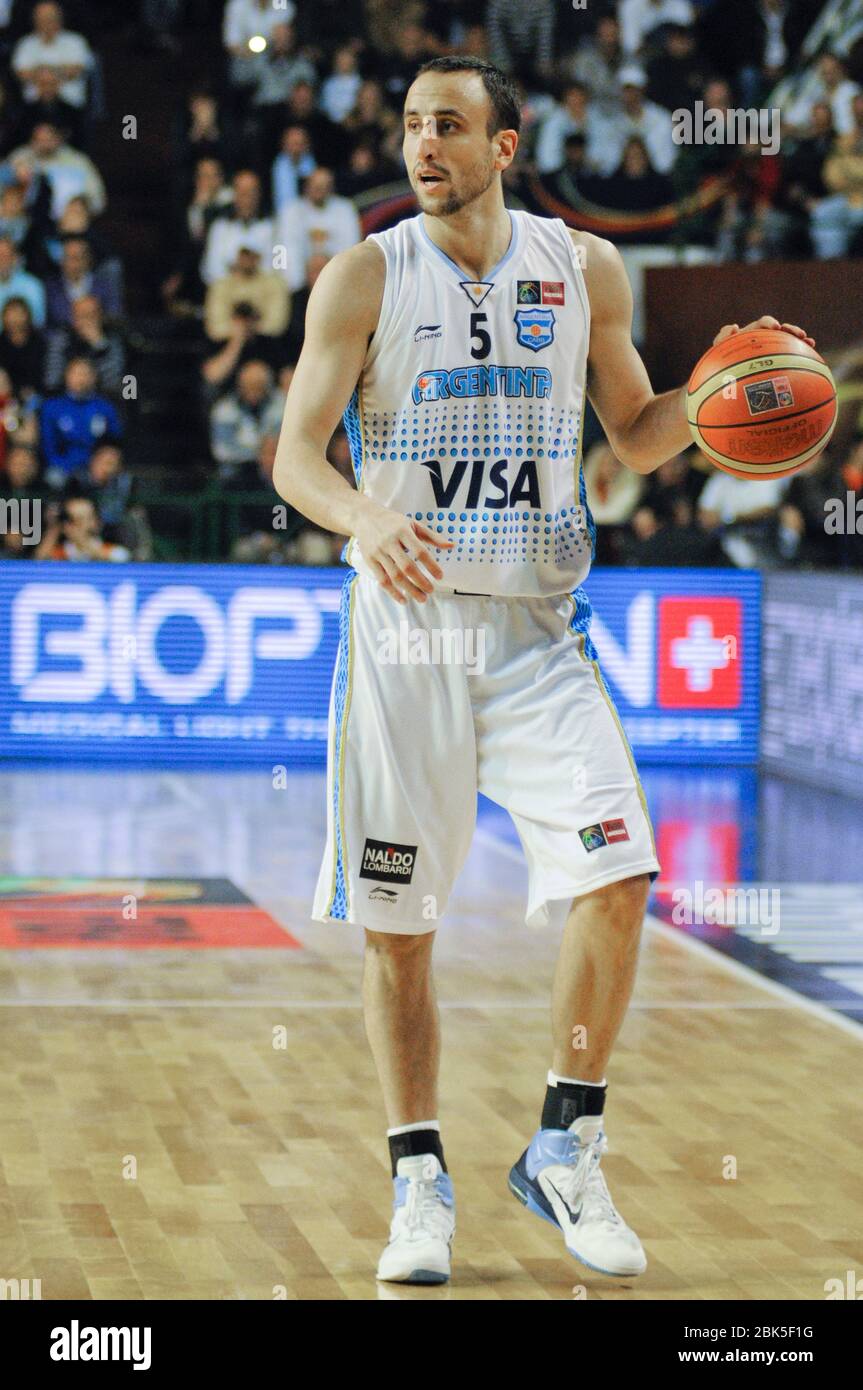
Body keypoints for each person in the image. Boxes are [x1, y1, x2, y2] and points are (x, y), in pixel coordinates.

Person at [271, 52, 818, 1285]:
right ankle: (418, 1175)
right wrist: (359, 517)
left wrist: (715, 395)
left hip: (534, 630)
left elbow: (631, 430)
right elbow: (293, 460)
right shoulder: (364, 273)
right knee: (397, 924)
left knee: (620, 868)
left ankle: (564, 1145)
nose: (423, 145)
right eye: (411, 124)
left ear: (504, 147)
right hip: (405, 638)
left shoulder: (582, 267)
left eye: (449, 126)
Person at [39, 354, 121, 485]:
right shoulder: (52, 407)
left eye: (86, 373)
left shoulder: (105, 407)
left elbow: (114, 442)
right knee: (54, 478)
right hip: (63, 467)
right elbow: (48, 446)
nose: (81, 378)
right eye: (76, 373)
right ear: (67, 376)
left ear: (94, 377)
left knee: (114, 478)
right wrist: (65, 466)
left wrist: (100, 464)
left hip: (96, 467)